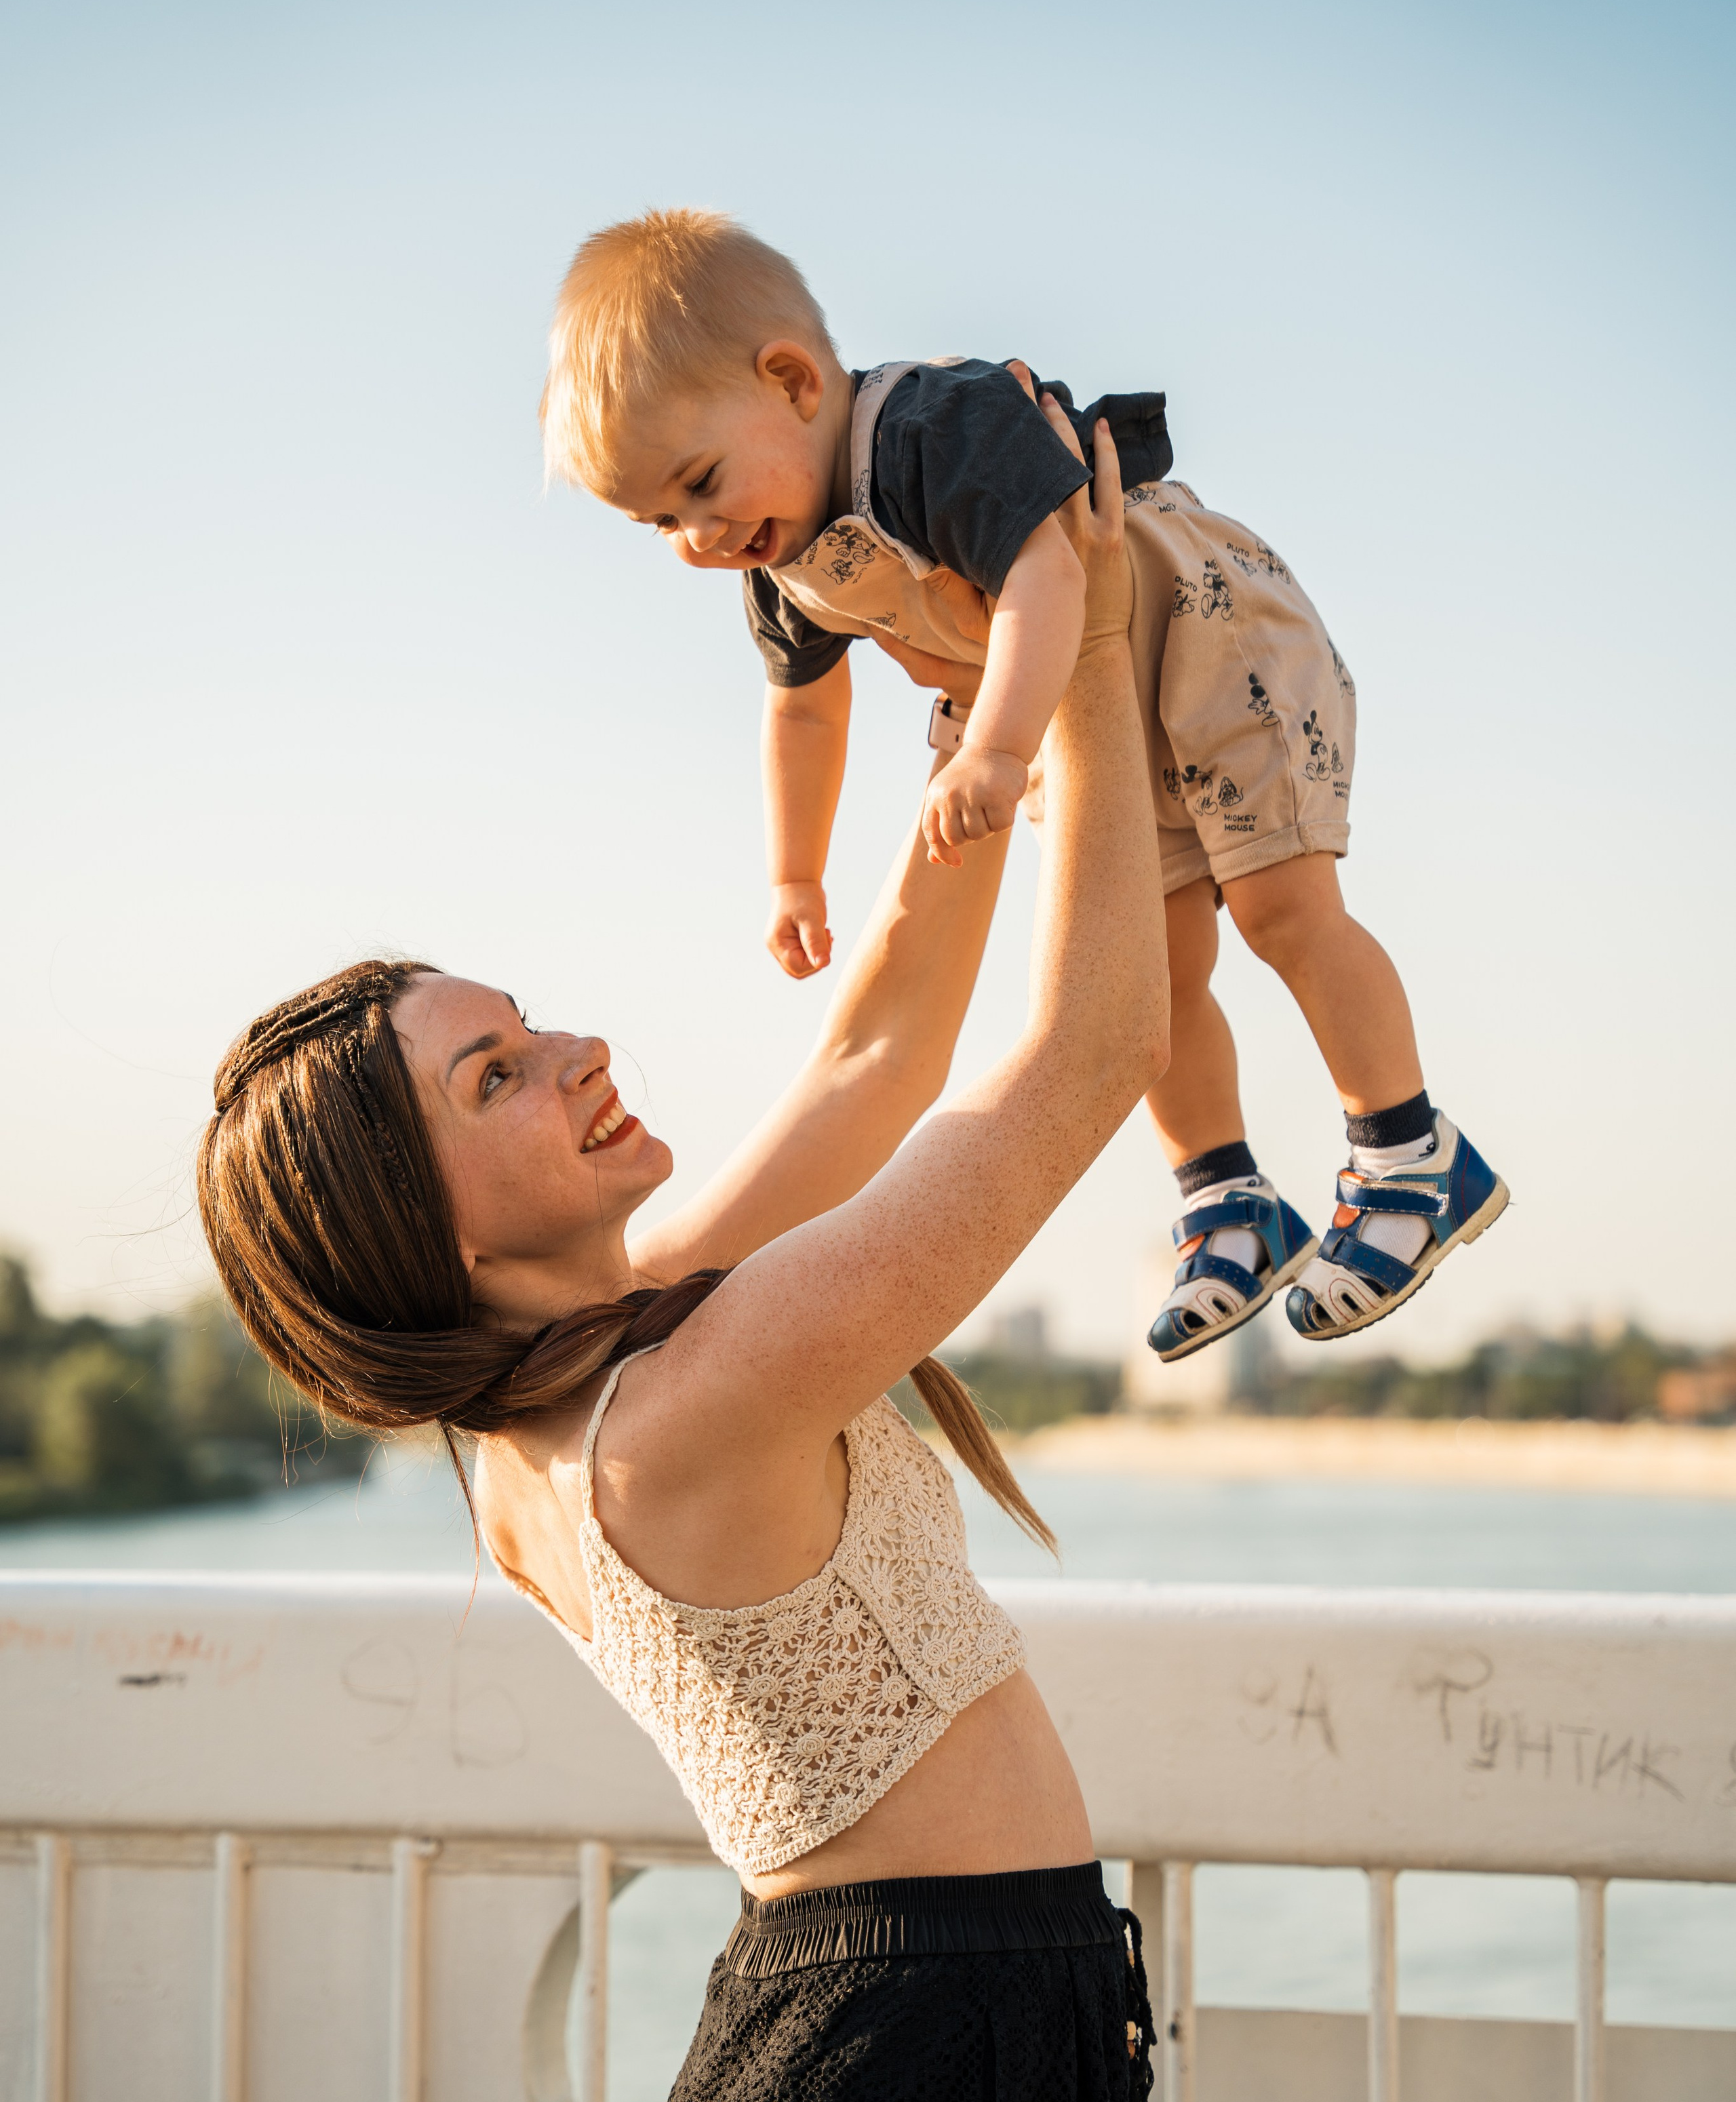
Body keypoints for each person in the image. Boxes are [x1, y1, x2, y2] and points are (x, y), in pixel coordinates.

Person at [199, 408, 1162, 2102]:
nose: (579, 1055)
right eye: (501, 1077)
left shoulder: (583, 1384)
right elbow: (1077, 1069)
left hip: (920, 2055)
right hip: (897, 2093)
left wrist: (969, 728)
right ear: (418, 1229)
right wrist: (1081, 653)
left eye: (531, 1025)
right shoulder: (679, 1407)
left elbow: (875, 1055)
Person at [540, 205, 1508, 1355]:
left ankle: (1410, 1153)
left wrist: (995, 751)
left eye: (700, 484)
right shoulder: (778, 555)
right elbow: (802, 710)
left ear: (795, 380)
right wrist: (794, 875)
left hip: (1201, 635)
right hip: (1089, 712)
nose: (698, 537)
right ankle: (1228, 1197)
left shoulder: (930, 429)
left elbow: (1052, 570)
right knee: (1150, 966)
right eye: (661, 521)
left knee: (1283, 910)